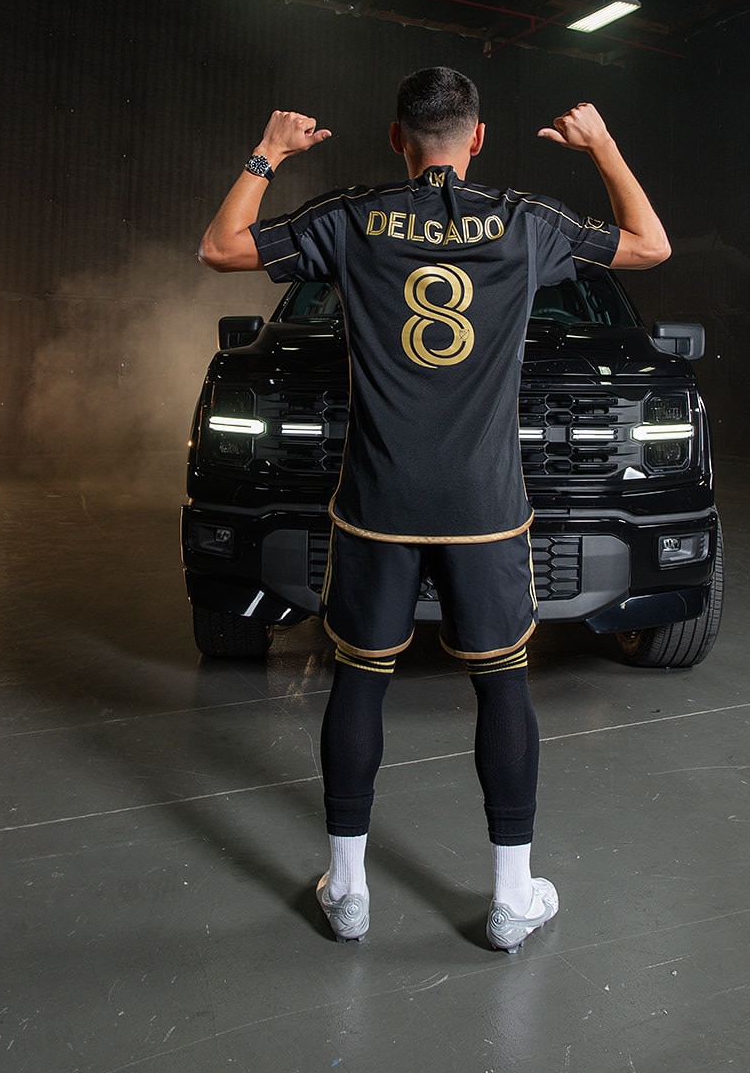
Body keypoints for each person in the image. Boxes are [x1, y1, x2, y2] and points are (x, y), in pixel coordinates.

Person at [198, 67, 669, 952]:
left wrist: (268, 151)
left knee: (360, 680)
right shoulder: (526, 222)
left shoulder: (350, 215)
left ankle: (347, 890)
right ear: (478, 138)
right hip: (485, 508)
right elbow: (649, 246)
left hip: (376, 503)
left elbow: (221, 249)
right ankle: (509, 898)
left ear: (394, 137)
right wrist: (601, 144)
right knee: (501, 685)